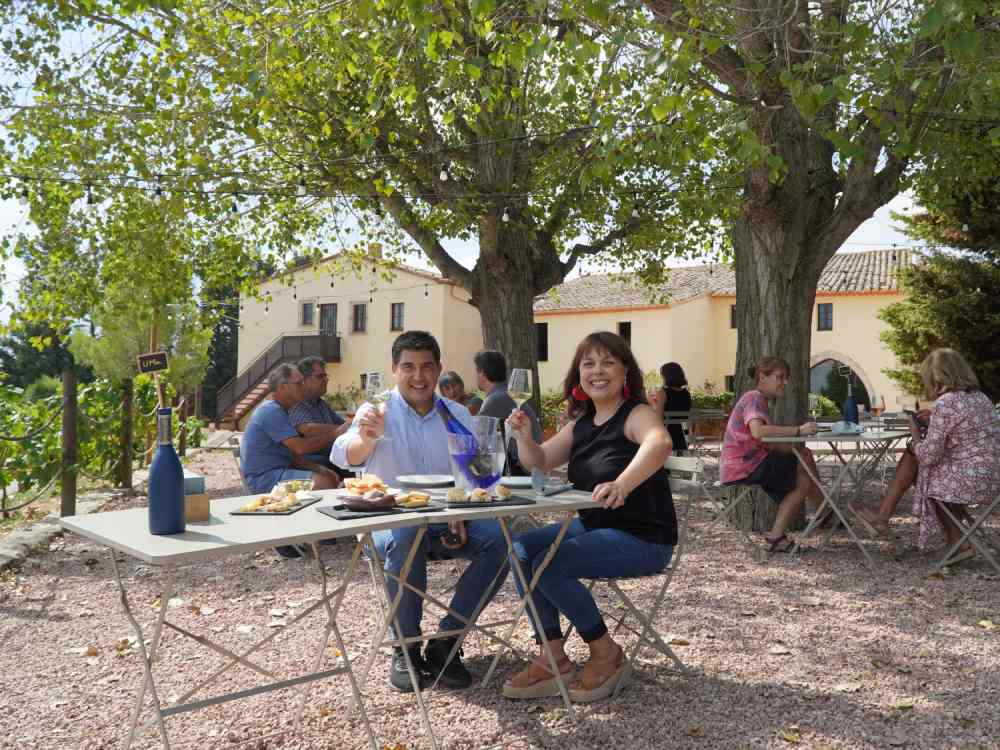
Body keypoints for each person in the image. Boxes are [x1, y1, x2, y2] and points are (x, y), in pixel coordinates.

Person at [503, 331, 676, 703]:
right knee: (519, 550)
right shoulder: (582, 423)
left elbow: (659, 443)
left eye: (608, 362)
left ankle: (605, 651)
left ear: (625, 371)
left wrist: (622, 483)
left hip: (643, 536)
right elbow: (540, 462)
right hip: (595, 527)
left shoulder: (636, 413)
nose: (597, 371)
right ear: (578, 374)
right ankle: (553, 656)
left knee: (549, 563)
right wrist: (523, 438)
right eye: (588, 363)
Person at [331, 331, 508, 693]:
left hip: (446, 519)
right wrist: (367, 440)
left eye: (427, 366)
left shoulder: (455, 412)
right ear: (395, 370)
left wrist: (462, 507)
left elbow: (479, 473)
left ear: (439, 370)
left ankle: (446, 642)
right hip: (389, 522)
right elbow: (343, 455)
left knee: (500, 542)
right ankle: (406, 647)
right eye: (408, 366)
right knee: (407, 534)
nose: (419, 376)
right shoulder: (377, 408)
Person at [854, 348, 1000, 560]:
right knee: (917, 461)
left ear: (938, 378)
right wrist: (933, 420)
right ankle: (955, 539)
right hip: (992, 477)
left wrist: (915, 435)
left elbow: (929, 456)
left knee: (918, 460)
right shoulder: (981, 399)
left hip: (969, 481)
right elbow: (964, 432)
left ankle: (884, 518)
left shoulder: (946, 402)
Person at [240, 364, 343, 558]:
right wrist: (335, 433)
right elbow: (300, 447)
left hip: (275, 472)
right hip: (265, 480)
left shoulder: (279, 410)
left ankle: (306, 533)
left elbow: (293, 454)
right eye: (299, 383)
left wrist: (319, 468)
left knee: (327, 475)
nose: (303, 386)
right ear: (282, 387)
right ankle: (290, 535)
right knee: (325, 483)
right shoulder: (271, 412)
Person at [719, 356, 821, 553]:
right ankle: (822, 513)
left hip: (748, 464)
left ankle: (816, 517)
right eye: (779, 377)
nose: (784, 382)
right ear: (762, 377)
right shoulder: (753, 398)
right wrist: (797, 430)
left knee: (804, 456)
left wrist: (795, 448)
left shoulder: (759, 400)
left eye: (786, 378)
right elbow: (758, 431)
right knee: (804, 479)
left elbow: (764, 442)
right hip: (744, 467)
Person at [474, 349, 542, 474]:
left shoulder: (496, 399)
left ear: (482, 373)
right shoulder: (506, 394)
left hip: (521, 471)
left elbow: (476, 438)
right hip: (526, 467)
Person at [289, 356, 350, 470]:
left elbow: (341, 424)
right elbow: (307, 429)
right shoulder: (296, 403)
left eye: (326, 376)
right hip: (308, 461)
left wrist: (351, 426)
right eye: (320, 376)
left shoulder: (321, 404)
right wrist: (340, 430)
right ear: (304, 380)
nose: (326, 379)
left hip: (329, 455)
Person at [648, 361, 692, 454]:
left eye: (662, 375)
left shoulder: (662, 392)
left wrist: (651, 404)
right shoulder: (687, 394)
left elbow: (658, 417)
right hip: (685, 436)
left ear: (667, 376)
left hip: (667, 435)